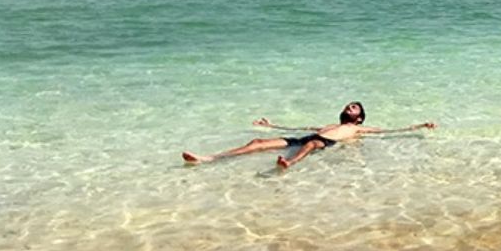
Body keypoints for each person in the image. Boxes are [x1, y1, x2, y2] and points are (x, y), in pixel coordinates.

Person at [182, 101, 436, 169]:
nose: (349, 107)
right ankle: (211, 158)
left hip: (323, 143)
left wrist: (419, 127)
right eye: (348, 105)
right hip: (305, 138)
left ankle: (289, 163)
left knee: (314, 143)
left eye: (354, 107)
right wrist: (271, 126)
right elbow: (298, 129)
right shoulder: (329, 123)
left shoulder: (358, 128)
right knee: (257, 143)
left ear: (359, 118)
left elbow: (390, 132)